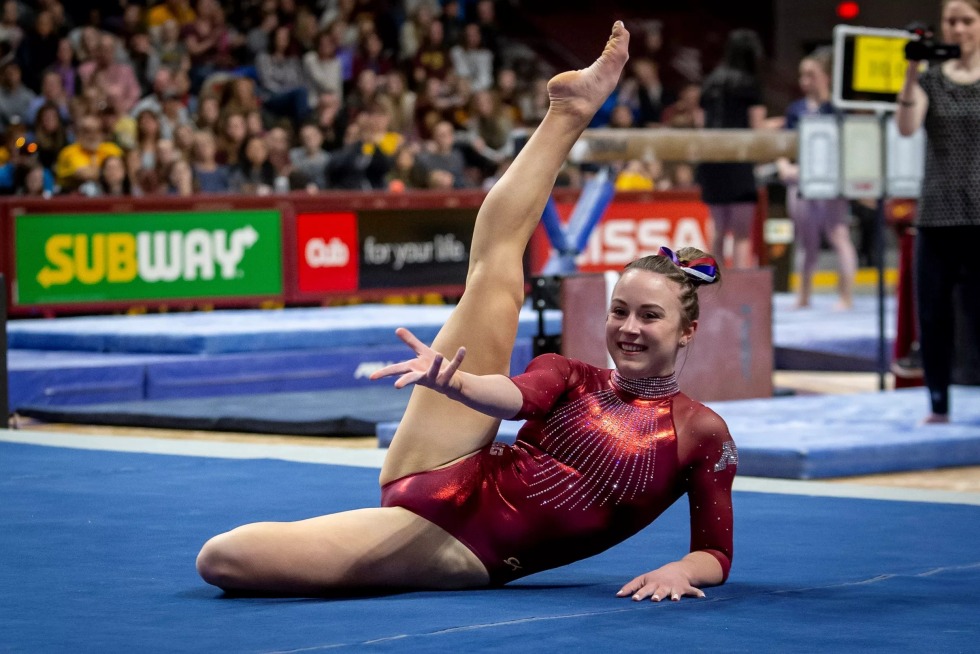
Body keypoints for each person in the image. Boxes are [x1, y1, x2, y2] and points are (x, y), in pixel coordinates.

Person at [196, 22, 736, 600]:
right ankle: (569, 113)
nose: (628, 328)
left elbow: (716, 551)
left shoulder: (701, 433)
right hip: (447, 457)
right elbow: (512, 395)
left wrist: (682, 570)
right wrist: (452, 383)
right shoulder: (571, 375)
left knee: (224, 558)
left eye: (649, 317)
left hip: (459, 542)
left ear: (687, 330)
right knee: (495, 273)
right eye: (619, 310)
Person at [896, 0, 980, 424]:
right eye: (952, 21)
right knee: (933, 314)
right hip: (938, 213)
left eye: (967, 20)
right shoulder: (929, 81)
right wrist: (911, 70)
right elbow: (907, 127)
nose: (959, 28)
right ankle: (939, 402)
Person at [777, 46, 858, 310]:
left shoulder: (838, 109)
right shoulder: (795, 109)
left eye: (811, 74)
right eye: (802, 75)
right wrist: (784, 167)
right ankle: (803, 297)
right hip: (800, 180)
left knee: (838, 234)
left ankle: (846, 297)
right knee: (806, 241)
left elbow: (846, 149)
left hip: (830, 180)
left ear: (827, 77)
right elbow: (781, 146)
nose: (805, 81)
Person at [696, 29, 768, 269]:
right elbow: (757, 127)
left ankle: (712, 287)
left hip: (712, 161)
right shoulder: (749, 83)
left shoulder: (710, 81)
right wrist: (778, 126)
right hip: (738, 161)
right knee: (741, 235)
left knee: (717, 231)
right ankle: (740, 292)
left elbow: (699, 123)